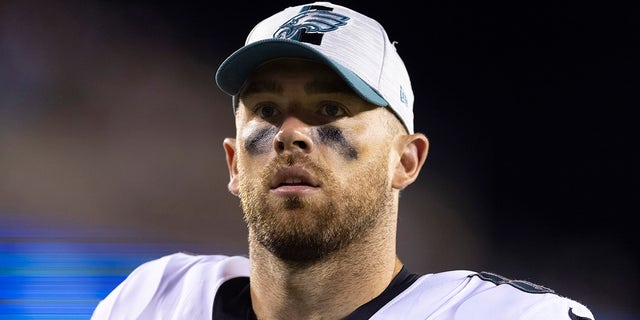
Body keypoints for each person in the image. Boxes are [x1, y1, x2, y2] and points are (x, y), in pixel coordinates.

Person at [91, 2, 595, 319]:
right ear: (233, 164)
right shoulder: (153, 300)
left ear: (406, 160)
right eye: (266, 110)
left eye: (330, 109)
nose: (290, 134)